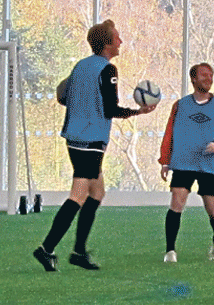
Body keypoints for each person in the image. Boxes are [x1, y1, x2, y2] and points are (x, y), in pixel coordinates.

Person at [32, 18, 156, 273]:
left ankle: (78, 251)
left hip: (75, 138)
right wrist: (138, 112)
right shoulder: (108, 70)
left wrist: (82, 106)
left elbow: (62, 95)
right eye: (117, 37)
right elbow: (110, 109)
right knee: (78, 195)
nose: (121, 42)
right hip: (90, 141)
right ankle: (46, 248)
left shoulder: (80, 66)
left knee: (97, 193)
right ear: (107, 44)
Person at [157, 62, 214, 264]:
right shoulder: (180, 106)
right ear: (193, 79)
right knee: (176, 202)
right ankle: (170, 251)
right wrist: (165, 161)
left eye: (211, 75)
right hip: (183, 163)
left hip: (210, 165)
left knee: (213, 210)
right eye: (204, 75)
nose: (208, 78)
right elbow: (169, 134)